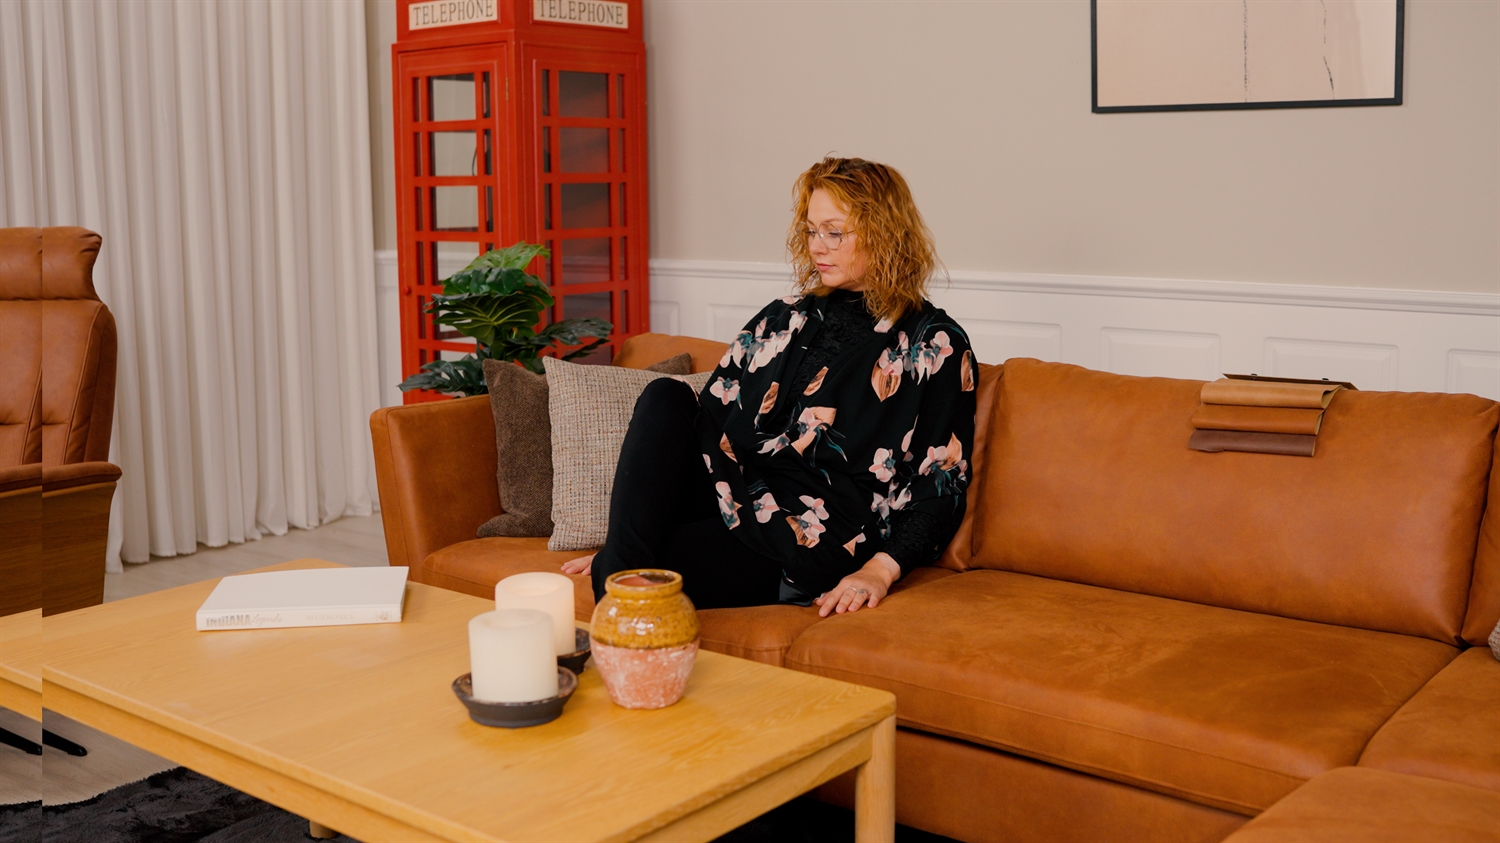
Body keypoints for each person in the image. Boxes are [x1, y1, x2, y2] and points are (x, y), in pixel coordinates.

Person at [563, 157, 976, 617]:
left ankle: (619, 577)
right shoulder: (784, 316)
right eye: (811, 230)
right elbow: (707, 425)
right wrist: (631, 533)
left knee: (635, 573)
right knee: (666, 396)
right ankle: (623, 563)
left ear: (884, 232)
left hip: (815, 533)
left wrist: (880, 570)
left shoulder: (934, 345)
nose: (817, 246)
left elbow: (942, 483)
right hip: (734, 495)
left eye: (834, 232)